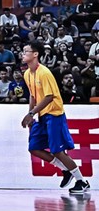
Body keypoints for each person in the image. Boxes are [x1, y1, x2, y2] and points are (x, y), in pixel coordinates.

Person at [20, 41, 91, 195]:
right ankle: (65, 170)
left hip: (54, 113)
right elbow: (33, 95)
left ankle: (82, 181)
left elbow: (49, 96)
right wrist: (31, 115)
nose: (23, 54)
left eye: (26, 51)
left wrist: (31, 113)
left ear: (35, 54)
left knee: (57, 150)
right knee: (34, 148)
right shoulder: (27, 73)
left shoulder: (44, 72)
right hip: (41, 115)